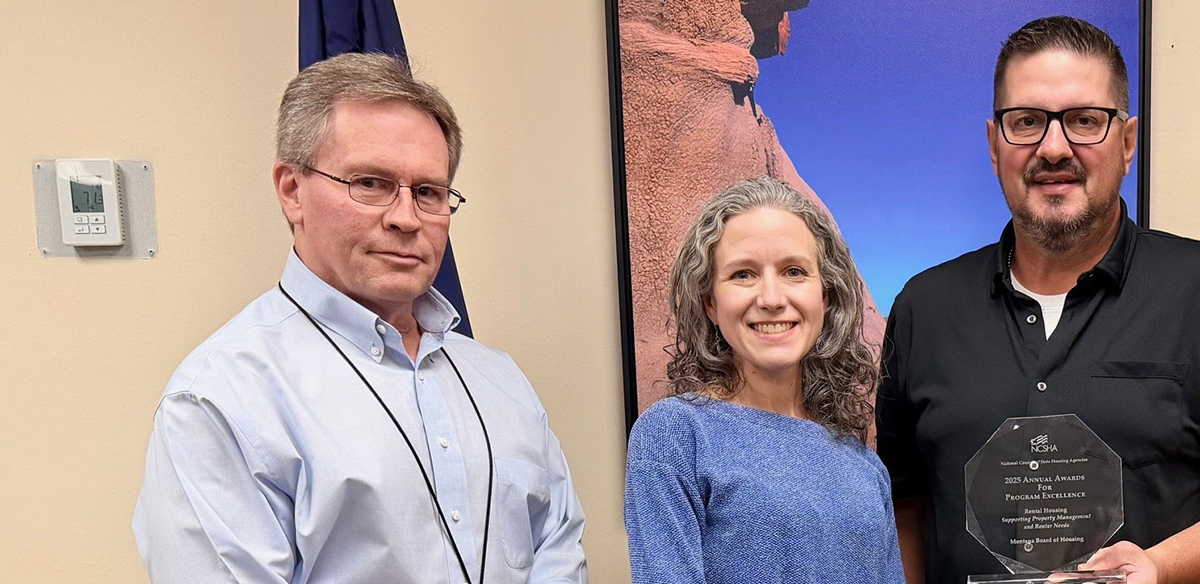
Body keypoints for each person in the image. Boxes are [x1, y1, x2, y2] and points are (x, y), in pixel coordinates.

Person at [877, 16, 1200, 584]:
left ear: (1127, 142)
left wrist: (1158, 567)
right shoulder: (923, 310)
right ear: (993, 143)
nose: (1054, 148)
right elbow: (905, 503)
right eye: (1026, 122)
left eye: (1083, 121)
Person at [134, 53, 588, 583]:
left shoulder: (500, 381)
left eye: (428, 192)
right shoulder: (221, 397)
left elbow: (558, 549)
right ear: (291, 190)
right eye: (370, 183)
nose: (405, 218)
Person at [624, 177, 903, 584]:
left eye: (793, 271)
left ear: (825, 296)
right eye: (743, 274)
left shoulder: (865, 467)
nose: (771, 298)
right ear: (710, 303)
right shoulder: (675, 435)